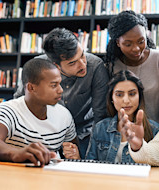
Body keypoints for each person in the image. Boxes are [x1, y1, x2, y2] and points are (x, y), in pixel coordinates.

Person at [14, 28, 109, 158]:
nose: (82, 65)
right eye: (72, 63)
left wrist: (91, 153)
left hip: (84, 132)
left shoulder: (96, 66)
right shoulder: (39, 67)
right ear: (56, 65)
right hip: (46, 130)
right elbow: (20, 101)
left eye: (82, 55)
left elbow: (100, 114)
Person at [0, 58, 77, 167]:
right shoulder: (9, 110)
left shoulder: (65, 116)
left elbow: (73, 151)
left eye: (60, 84)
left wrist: (75, 155)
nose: (60, 90)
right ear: (31, 87)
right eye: (53, 85)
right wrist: (16, 153)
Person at [63, 70, 159, 162]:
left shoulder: (155, 130)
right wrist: (77, 158)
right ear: (112, 98)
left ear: (139, 96)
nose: (126, 100)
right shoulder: (100, 128)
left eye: (132, 94)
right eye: (119, 95)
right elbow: (90, 165)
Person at [106, 10, 159, 125]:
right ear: (118, 42)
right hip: (125, 133)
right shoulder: (112, 66)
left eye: (141, 41)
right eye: (128, 44)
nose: (136, 48)